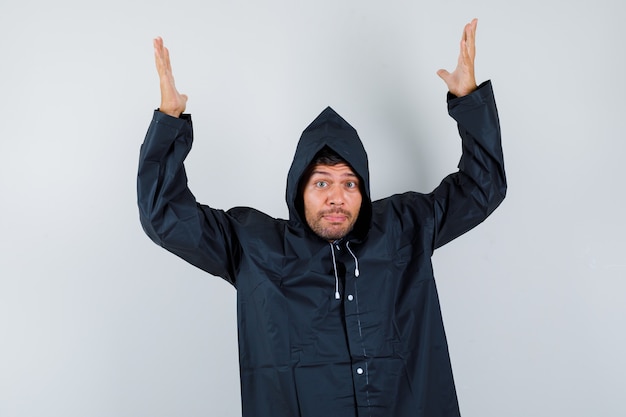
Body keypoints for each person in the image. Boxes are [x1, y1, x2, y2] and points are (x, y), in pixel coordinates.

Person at [137, 18, 506, 417]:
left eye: (349, 184)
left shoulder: (404, 227)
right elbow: (165, 216)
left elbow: (481, 188)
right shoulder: (253, 246)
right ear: (299, 189)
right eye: (322, 183)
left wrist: (469, 100)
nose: (337, 198)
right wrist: (169, 121)